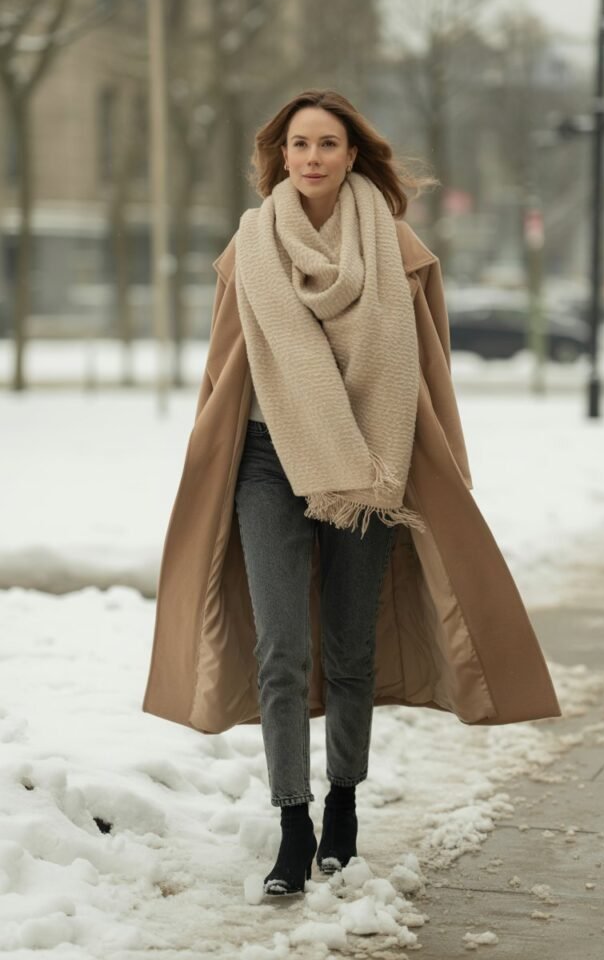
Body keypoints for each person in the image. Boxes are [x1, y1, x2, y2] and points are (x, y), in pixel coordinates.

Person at [141, 88, 561, 899]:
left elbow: (430, 369)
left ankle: (344, 806)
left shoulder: (398, 250)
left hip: (372, 470)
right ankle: (292, 822)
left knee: (351, 646)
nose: (310, 158)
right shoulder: (251, 247)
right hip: (265, 460)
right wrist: (208, 451)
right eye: (298, 144)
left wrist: (441, 468)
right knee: (281, 648)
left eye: (327, 144)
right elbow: (225, 363)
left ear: (352, 154)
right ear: (281, 155)